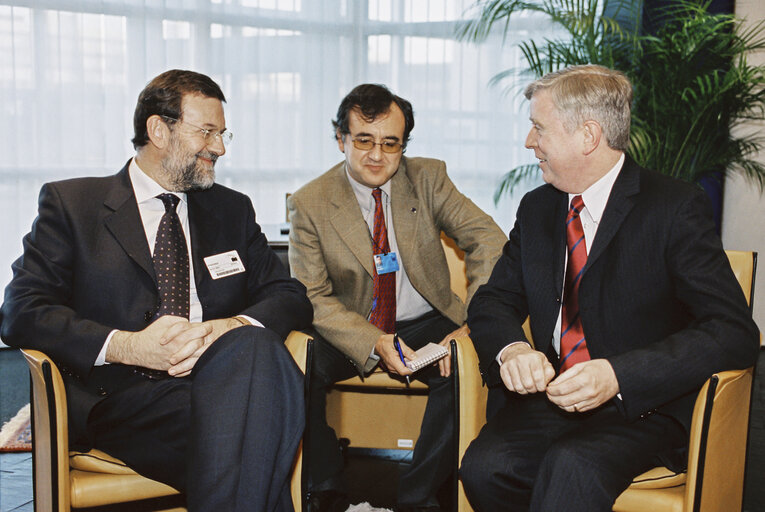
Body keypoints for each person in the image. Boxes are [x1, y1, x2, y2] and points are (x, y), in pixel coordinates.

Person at [0, 69, 312, 512]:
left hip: (225, 382)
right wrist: (129, 347)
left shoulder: (231, 210)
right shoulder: (74, 206)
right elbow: (21, 311)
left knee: (253, 353)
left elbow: (290, 295)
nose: (219, 148)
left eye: (223, 134)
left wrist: (230, 328)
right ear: (158, 130)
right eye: (206, 132)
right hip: (120, 397)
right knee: (258, 426)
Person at [458, 64, 760, 511]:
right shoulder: (538, 207)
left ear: (588, 136)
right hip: (553, 400)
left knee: (572, 466)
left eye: (538, 128)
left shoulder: (674, 208)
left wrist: (619, 374)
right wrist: (513, 350)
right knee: (485, 466)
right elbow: (493, 301)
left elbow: (733, 331)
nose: (529, 142)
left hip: (644, 406)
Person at [287, 83, 506, 512]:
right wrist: (372, 341)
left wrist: (472, 322)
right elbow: (312, 296)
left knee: (467, 366)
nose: (376, 155)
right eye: (363, 140)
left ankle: (418, 497)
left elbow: (490, 241)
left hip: (424, 318)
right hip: (347, 326)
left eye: (391, 143)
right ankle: (327, 488)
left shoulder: (428, 179)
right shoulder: (310, 202)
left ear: (404, 145)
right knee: (294, 369)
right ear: (341, 139)